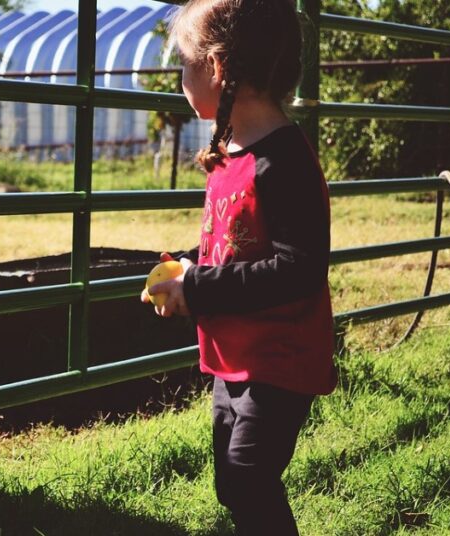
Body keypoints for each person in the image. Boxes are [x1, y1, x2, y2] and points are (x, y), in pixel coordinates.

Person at [140, 0, 337, 534]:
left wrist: (197, 286)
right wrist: (187, 269)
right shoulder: (232, 153)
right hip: (234, 355)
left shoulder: (284, 160)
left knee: (248, 476)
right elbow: (234, 245)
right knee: (233, 483)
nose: (178, 76)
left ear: (219, 67)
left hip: (279, 357)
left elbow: (297, 270)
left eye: (185, 61)